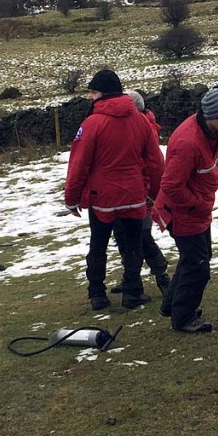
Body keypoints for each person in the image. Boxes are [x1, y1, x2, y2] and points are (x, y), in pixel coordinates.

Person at [64, 69, 164, 311]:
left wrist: (71, 198)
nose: (90, 96)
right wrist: (159, 193)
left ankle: (97, 293)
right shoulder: (140, 120)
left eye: (93, 91)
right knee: (133, 245)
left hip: (102, 197)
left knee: (98, 244)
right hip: (133, 195)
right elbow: (155, 161)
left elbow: (79, 163)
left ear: (103, 93)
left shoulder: (92, 123)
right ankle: (133, 291)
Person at [153, 87, 218, 333]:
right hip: (183, 213)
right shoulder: (188, 142)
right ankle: (183, 318)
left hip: (198, 209)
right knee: (198, 267)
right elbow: (171, 186)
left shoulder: (210, 130)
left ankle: (171, 305)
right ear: (212, 115)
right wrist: (198, 205)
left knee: (195, 259)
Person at [111, 90, 170, 297]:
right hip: (124, 191)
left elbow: (152, 163)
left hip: (142, 192)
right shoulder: (130, 125)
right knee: (121, 234)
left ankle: (162, 275)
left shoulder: (144, 127)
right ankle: (130, 278)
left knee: (142, 235)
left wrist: (153, 192)